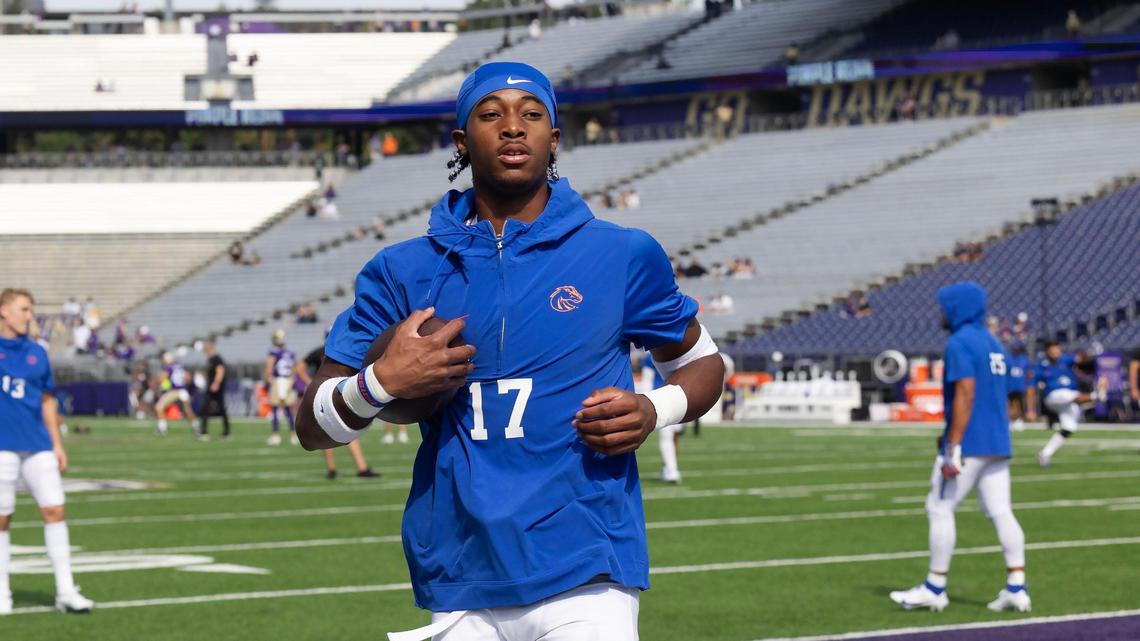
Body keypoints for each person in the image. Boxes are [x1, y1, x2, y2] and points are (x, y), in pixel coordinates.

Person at [294, 62, 724, 640]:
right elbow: (314, 426)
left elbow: (702, 364)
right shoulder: (400, 270)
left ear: (554, 138)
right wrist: (379, 383)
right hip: (460, 570)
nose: (513, 128)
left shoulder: (621, 253)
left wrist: (656, 409)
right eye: (491, 115)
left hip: (588, 564)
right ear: (462, 142)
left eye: (531, 115)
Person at [890, 282, 1029, 613]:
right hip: (997, 440)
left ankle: (935, 586)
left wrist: (953, 442)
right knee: (1000, 510)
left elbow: (965, 391)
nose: (941, 313)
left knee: (939, 508)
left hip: (970, 442)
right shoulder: (995, 343)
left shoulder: (959, 342)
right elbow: (1013, 397)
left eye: (945, 307)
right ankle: (1017, 586)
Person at [0, 289, 95, 615]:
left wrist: (57, 443)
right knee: (1, 519)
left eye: (31, 309)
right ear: (3, 312)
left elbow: (47, 399)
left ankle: (66, 590)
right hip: (2, 445)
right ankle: (2, 594)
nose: (29, 316)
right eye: (24, 309)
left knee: (55, 511)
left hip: (37, 444)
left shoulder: (36, 352)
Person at [297, 339, 378, 479]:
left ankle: (358, 468)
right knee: (329, 431)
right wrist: (310, 383)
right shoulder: (323, 351)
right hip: (324, 395)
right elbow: (299, 367)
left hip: (339, 393)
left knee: (345, 432)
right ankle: (334, 469)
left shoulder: (343, 349)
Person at [1028, 341, 1093, 467]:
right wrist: (1030, 410)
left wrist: (1087, 352)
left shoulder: (1066, 360)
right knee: (1068, 395)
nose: (1056, 353)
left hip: (1070, 397)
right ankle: (1096, 396)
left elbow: (1080, 359)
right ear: (1047, 352)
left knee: (1069, 427)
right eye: (1053, 351)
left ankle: (1045, 453)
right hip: (1053, 396)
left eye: (1058, 350)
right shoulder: (1041, 366)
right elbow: (1031, 388)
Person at [642, 355, 682, 483]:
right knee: (669, 436)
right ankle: (671, 470)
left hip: (673, 397)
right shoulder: (650, 357)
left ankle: (669, 467)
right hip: (667, 398)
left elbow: (646, 381)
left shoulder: (679, 352)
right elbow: (646, 381)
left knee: (673, 436)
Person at [265, 330, 299, 446]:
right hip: (288, 380)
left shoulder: (273, 353)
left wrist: (269, 380)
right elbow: (294, 369)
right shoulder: (290, 353)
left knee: (275, 409)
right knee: (289, 410)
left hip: (278, 380)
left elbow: (269, 368)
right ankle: (293, 435)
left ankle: (276, 436)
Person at [155, 352, 197, 437]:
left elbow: (162, 379)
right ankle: (196, 427)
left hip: (175, 391)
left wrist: (163, 385)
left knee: (159, 407)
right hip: (183, 391)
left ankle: (162, 429)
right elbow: (188, 378)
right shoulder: (180, 366)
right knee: (188, 410)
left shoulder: (168, 367)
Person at [200, 342, 230, 440]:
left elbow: (220, 371)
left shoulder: (217, 359)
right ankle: (204, 431)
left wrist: (216, 384)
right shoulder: (209, 359)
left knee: (221, 409)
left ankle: (226, 432)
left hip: (216, 388)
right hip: (211, 387)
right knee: (205, 408)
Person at [1006, 342, 1030, 432]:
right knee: (1009, 404)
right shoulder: (1008, 359)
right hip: (1011, 386)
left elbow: (1028, 373)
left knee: (1020, 404)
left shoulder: (1024, 360)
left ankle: (1019, 419)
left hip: (1020, 386)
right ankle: (1010, 420)